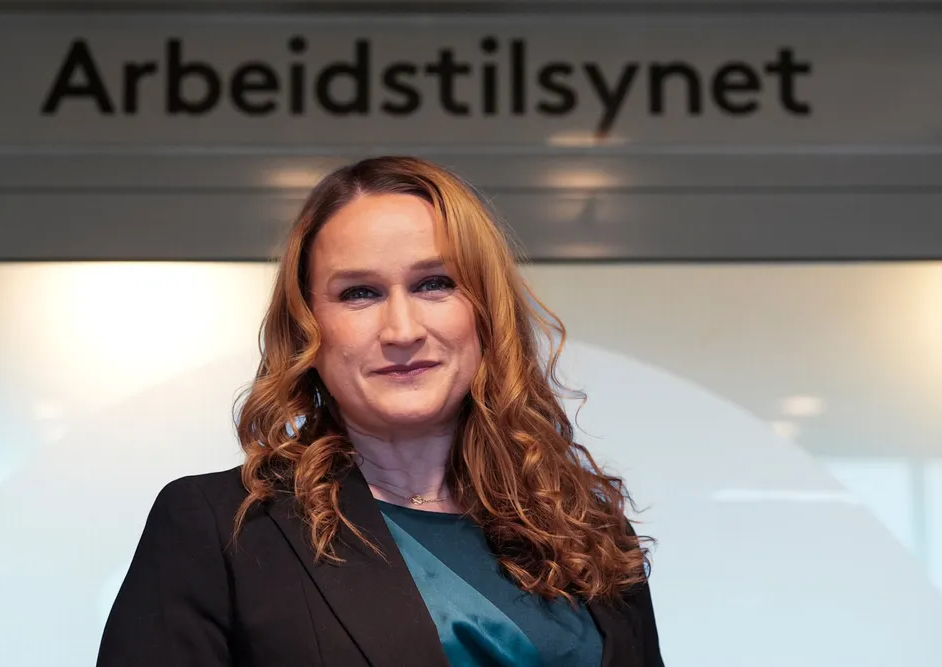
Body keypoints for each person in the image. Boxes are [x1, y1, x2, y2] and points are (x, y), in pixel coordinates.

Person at [95, 155, 665, 667]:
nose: (402, 330)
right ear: (307, 328)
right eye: (359, 293)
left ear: (487, 313)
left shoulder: (584, 526)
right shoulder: (222, 527)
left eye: (435, 284)